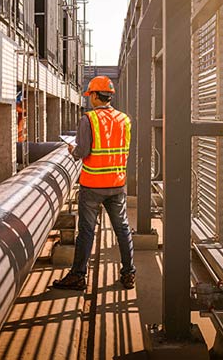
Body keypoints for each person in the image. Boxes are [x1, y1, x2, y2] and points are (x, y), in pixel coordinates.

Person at [52, 76, 136, 291]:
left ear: (97, 96)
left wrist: (72, 149)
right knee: (123, 229)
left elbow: (82, 152)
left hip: (92, 185)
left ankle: (78, 276)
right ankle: (128, 274)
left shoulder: (88, 119)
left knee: (87, 232)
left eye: (91, 95)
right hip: (117, 184)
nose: (90, 99)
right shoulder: (125, 119)